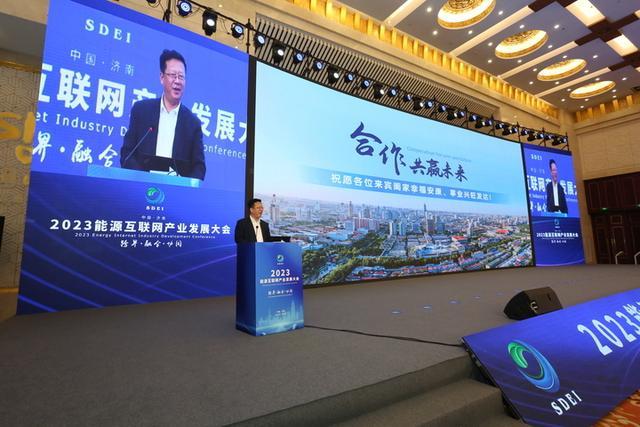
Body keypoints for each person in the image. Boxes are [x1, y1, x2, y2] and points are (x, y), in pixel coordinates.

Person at [120, 49, 206, 180]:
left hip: (176, 190)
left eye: (181, 76)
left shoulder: (192, 123)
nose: (177, 81)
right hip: (141, 187)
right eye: (173, 75)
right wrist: (142, 179)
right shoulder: (141, 111)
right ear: (162, 77)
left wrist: (183, 186)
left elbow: (199, 167)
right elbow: (127, 154)